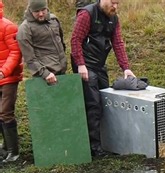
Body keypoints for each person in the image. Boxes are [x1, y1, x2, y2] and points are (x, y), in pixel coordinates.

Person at [71, 0, 135, 157]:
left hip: (99, 64)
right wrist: (80, 64)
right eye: (113, 3)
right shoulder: (87, 14)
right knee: (93, 104)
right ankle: (94, 147)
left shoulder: (114, 18)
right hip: (85, 64)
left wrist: (125, 67)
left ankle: (106, 141)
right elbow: (75, 40)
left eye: (118, 4)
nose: (115, 7)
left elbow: (117, 43)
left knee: (106, 100)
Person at [17, 0, 67, 85]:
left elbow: (61, 43)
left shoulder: (54, 20)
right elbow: (29, 57)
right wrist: (45, 73)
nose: (40, 14)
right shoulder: (25, 28)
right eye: (36, 11)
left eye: (43, 10)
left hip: (62, 72)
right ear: (30, 10)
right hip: (44, 77)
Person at [0, 0, 24, 163]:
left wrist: (3, 72)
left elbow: (16, 52)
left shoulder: (8, 26)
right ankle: (5, 148)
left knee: (5, 112)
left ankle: (13, 152)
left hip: (8, 77)